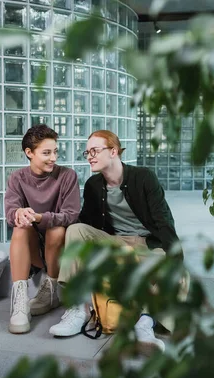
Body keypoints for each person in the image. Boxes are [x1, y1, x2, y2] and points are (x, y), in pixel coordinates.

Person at [49, 129, 186, 352]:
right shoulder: (93, 185)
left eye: (95, 150)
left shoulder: (143, 178)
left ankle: (145, 323)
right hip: (113, 242)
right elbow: (86, 223)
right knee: (75, 230)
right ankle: (79, 308)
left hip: (146, 244)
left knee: (178, 272)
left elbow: (164, 221)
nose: (89, 156)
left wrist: (175, 258)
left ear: (113, 151)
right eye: (87, 152)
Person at [4, 125, 80, 334]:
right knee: (20, 227)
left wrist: (39, 217)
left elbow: (71, 215)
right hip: (34, 251)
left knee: (56, 230)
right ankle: (20, 301)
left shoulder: (67, 176)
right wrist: (18, 214)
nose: (53, 157)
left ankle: (51, 290)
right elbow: (10, 212)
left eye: (55, 151)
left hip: (59, 250)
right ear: (29, 153)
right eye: (46, 153)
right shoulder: (17, 178)